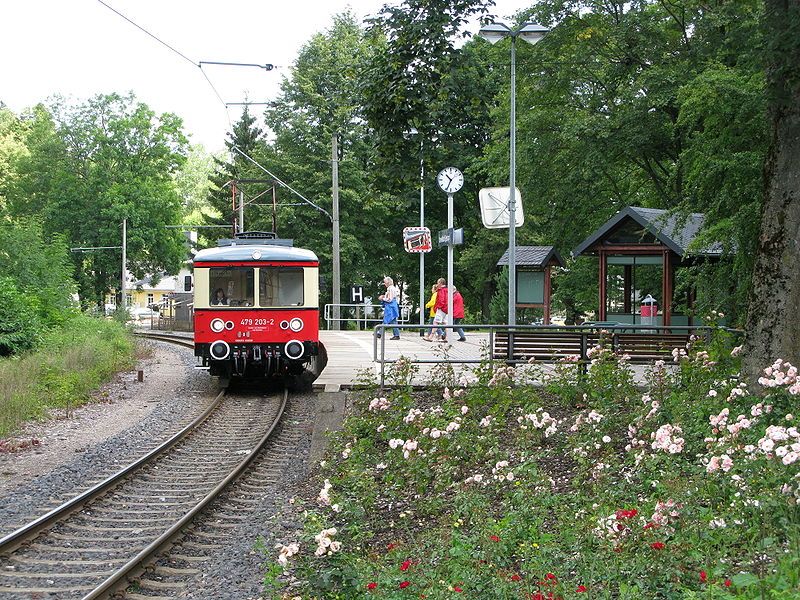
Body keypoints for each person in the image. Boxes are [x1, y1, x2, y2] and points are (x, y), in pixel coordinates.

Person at [433, 277, 449, 342]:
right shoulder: (447, 289)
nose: (437, 284)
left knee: (435, 322)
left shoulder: (441, 290)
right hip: (446, 308)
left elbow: (441, 300)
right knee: (446, 324)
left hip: (441, 308)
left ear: (440, 283)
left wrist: (438, 307)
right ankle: (447, 337)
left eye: (438, 282)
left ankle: (431, 337)